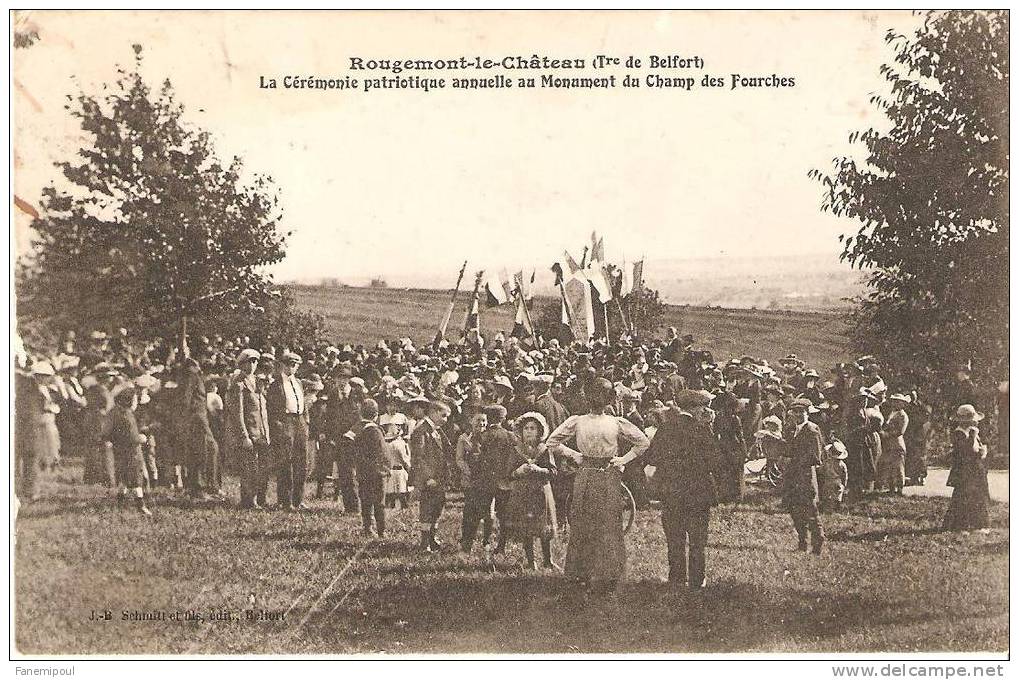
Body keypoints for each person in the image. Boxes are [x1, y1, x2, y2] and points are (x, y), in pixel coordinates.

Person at [546, 378, 650, 592]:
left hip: (607, 475)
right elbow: (552, 442)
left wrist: (622, 460)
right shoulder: (578, 421)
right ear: (587, 397)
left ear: (608, 399)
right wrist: (575, 455)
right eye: (594, 395)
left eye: (601, 395)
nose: (596, 399)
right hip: (587, 473)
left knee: (609, 523)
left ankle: (607, 576)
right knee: (583, 522)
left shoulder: (615, 422)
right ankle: (582, 574)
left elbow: (643, 441)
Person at [641, 389, 720, 589]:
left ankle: (677, 577)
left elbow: (652, 457)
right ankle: (697, 579)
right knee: (697, 539)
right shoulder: (702, 429)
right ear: (694, 408)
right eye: (702, 407)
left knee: (675, 537)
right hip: (698, 492)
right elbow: (715, 461)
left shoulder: (666, 428)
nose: (704, 410)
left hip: (672, 491)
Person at [504, 412, 558, 569]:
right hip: (523, 493)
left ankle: (548, 560)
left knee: (544, 527)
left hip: (541, 492)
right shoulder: (516, 450)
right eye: (526, 428)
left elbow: (553, 472)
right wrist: (518, 472)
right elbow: (508, 473)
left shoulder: (544, 450)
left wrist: (539, 469)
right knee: (526, 527)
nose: (528, 431)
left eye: (533, 428)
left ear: (540, 432)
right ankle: (531, 561)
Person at [227, 349, 271, 509]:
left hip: (261, 431)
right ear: (242, 364)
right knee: (249, 468)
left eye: (255, 362)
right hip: (249, 432)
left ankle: (261, 498)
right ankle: (248, 500)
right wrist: (243, 436)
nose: (252, 365)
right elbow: (237, 413)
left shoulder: (257, 382)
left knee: (262, 467)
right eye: (249, 362)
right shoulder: (238, 384)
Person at [266, 352, 310, 511]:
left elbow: (303, 404)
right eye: (288, 364)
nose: (291, 368)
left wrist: (306, 421)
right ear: (282, 365)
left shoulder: (298, 382)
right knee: (286, 462)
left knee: (302, 461)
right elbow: (271, 409)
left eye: (295, 365)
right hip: (285, 422)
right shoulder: (275, 385)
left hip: (299, 422)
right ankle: (286, 500)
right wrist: (279, 426)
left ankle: (299, 499)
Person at [781, 399, 825, 554]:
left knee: (810, 510)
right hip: (792, 477)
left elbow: (816, 457)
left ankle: (817, 541)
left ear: (808, 413)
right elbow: (789, 449)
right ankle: (802, 541)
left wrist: (794, 460)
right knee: (795, 509)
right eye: (796, 412)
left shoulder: (812, 430)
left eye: (802, 412)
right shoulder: (792, 429)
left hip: (805, 476)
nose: (799, 415)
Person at [410, 400, 452, 552]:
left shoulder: (438, 430)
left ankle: (432, 538)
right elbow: (418, 458)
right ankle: (424, 542)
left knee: (436, 508)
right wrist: (427, 478)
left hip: (439, 478)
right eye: (443, 415)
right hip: (429, 480)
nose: (445, 419)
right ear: (433, 413)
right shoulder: (421, 431)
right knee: (427, 510)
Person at [943, 404, 990, 531]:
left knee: (977, 495)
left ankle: (978, 524)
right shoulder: (959, 433)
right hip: (965, 470)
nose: (975, 422)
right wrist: (973, 438)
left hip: (975, 469)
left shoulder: (972, 431)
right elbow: (966, 451)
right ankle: (960, 524)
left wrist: (982, 449)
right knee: (963, 496)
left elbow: (979, 448)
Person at [107, 386, 153, 516]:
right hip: (132, 452)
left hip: (120, 450)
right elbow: (133, 437)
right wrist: (142, 438)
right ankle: (141, 505)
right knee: (136, 479)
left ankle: (120, 503)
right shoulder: (128, 416)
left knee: (124, 479)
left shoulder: (115, 412)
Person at [457, 410, 498, 552]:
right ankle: (467, 541)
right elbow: (459, 459)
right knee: (470, 511)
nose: (481, 424)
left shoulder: (490, 438)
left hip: (486, 481)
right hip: (470, 480)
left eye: (484, 421)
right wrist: (469, 473)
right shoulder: (464, 438)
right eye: (478, 420)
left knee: (488, 511)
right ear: (471, 421)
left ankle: (487, 541)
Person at [352, 398, 387, 537]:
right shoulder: (377, 431)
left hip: (363, 471)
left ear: (360, 414)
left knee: (366, 501)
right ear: (376, 415)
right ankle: (381, 530)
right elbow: (383, 453)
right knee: (379, 502)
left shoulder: (356, 428)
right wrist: (385, 469)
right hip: (377, 472)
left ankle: (367, 527)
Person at [877, 394, 910, 494]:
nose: (895, 403)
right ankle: (891, 488)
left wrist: (886, 434)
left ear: (902, 404)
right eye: (894, 401)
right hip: (889, 444)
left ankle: (899, 489)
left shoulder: (903, 415)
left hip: (897, 444)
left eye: (898, 401)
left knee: (898, 466)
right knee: (889, 466)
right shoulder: (892, 413)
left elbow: (900, 431)